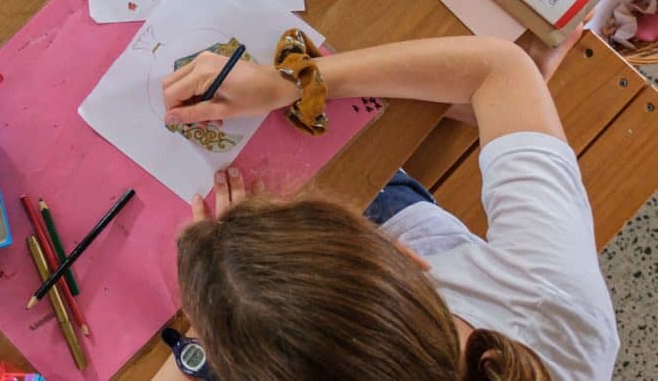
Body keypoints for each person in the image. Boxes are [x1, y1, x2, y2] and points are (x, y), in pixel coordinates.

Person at [155, 35, 618, 381]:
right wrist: (297, 82)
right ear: (410, 259)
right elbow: (503, 70)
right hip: (397, 212)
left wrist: (220, 311)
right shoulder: (558, 310)